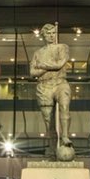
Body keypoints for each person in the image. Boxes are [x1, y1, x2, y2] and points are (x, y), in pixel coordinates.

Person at [29, 23, 74, 159]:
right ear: (43, 35)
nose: (51, 36)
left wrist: (42, 66)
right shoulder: (38, 53)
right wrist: (47, 68)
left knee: (64, 106)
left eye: (53, 33)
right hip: (44, 86)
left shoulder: (62, 47)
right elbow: (32, 72)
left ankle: (65, 136)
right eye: (48, 33)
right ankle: (53, 146)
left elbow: (60, 64)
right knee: (48, 119)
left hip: (60, 83)